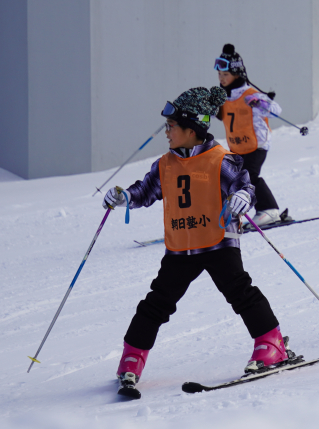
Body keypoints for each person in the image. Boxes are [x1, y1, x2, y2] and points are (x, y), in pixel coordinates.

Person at [103, 87, 294, 396]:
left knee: (240, 292)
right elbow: (144, 192)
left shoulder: (221, 160)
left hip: (218, 243)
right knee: (157, 303)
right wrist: (124, 197)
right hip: (180, 248)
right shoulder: (165, 164)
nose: (166, 132)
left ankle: (271, 344)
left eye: (171, 126)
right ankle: (132, 357)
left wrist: (243, 197)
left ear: (191, 130)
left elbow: (245, 185)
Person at [214, 44, 284, 227]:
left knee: (250, 176)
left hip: (257, 144)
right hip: (237, 146)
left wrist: (260, 104)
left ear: (237, 74)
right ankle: (229, 214)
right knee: (231, 180)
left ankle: (269, 210)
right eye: (219, 75)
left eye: (225, 75)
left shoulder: (250, 94)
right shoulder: (223, 97)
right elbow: (211, 116)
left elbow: (276, 110)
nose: (221, 79)